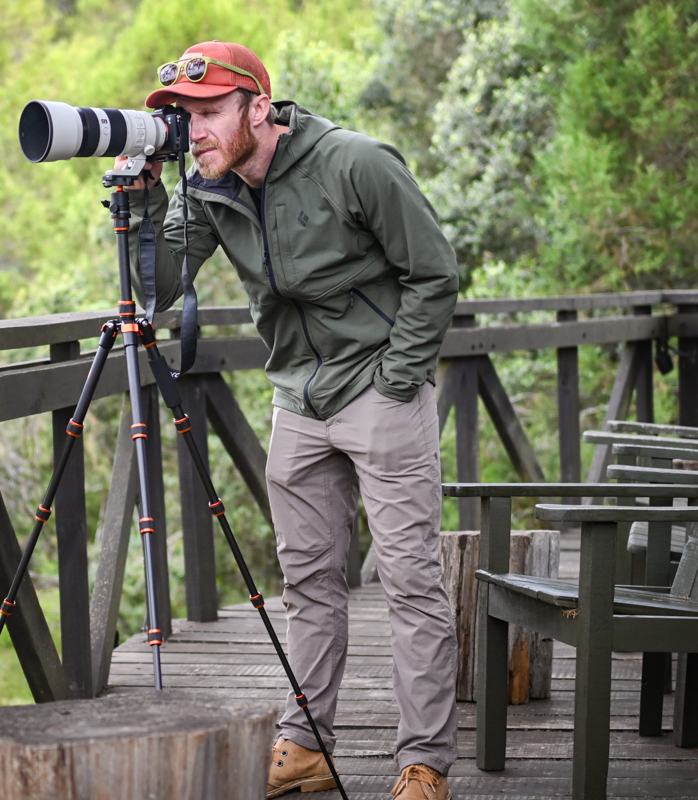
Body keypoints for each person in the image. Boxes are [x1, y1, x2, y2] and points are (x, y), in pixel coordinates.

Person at [121, 40, 459, 800]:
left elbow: (435, 273)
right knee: (308, 584)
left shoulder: (355, 164)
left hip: (380, 389)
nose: (195, 129)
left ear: (258, 107)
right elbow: (157, 288)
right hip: (297, 402)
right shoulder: (206, 186)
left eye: (209, 111)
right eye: (183, 116)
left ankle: (425, 763)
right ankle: (306, 746)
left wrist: (399, 378)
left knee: (410, 583)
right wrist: (143, 201)